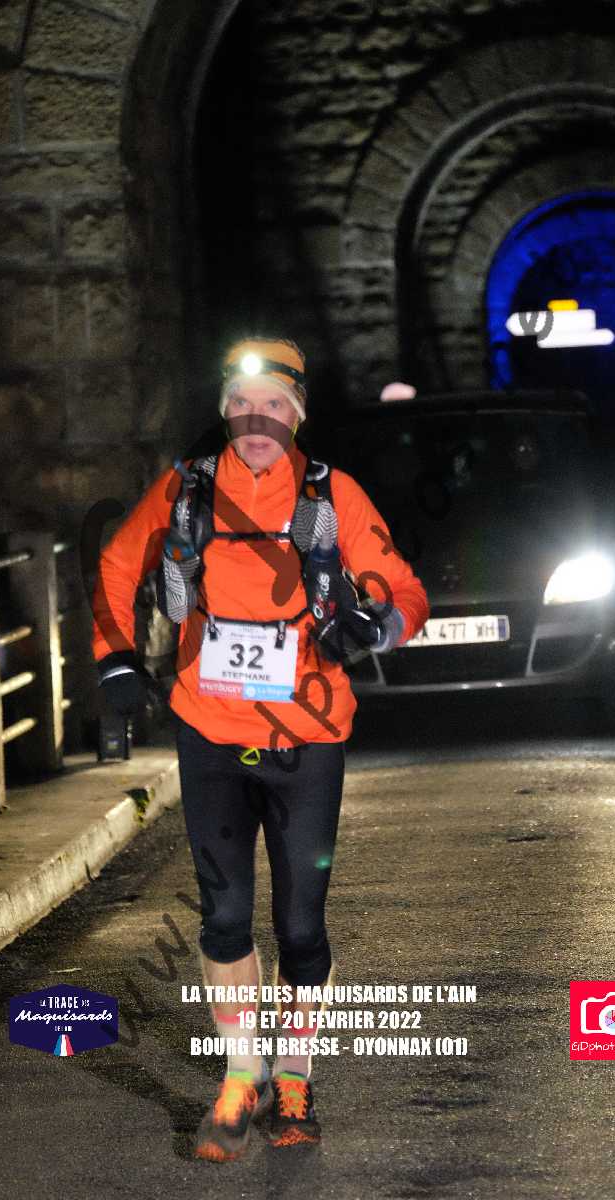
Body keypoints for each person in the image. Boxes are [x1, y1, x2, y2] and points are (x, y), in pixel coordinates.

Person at [91, 336, 429, 1162]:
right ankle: (241, 1076)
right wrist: (114, 658)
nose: (256, 420)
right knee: (224, 917)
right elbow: (116, 563)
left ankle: (295, 1077)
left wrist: (374, 623)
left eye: (274, 404)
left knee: (301, 927)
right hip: (210, 730)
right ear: (225, 411)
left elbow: (404, 589)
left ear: (296, 415)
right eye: (241, 404)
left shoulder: (331, 494)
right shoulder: (187, 489)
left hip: (307, 738)